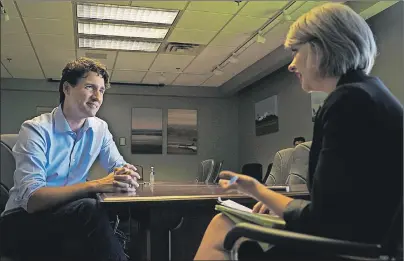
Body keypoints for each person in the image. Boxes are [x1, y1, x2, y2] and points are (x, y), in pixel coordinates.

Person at [194, 3, 402, 260]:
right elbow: (343, 210)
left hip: (344, 252)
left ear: (319, 48)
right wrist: (256, 190)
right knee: (223, 225)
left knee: (223, 228)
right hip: (361, 244)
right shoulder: (372, 95)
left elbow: (323, 221)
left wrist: (260, 193)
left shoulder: (349, 101)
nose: (291, 65)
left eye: (296, 52)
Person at [0, 57, 140, 261]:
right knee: (90, 208)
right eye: (90, 87)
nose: (97, 97)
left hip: (69, 219)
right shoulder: (36, 129)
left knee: (105, 216)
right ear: (67, 88)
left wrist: (126, 173)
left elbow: (118, 166)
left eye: (101, 90)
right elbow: (33, 200)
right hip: (19, 223)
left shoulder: (99, 128)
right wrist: (96, 185)